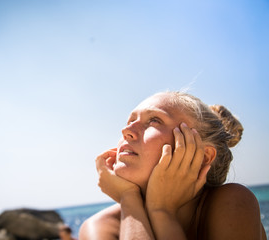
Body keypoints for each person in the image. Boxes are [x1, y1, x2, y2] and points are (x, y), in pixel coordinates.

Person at [79, 91, 266, 240]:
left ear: (203, 155)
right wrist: (129, 199)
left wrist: (161, 211)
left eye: (154, 120)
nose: (126, 130)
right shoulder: (99, 227)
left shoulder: (232, 200)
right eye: (130, 121)